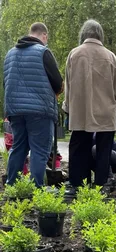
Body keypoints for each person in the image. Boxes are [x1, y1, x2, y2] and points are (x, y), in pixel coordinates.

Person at [62, 19, 116, 194]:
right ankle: (101, 185)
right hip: (106, 112)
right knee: (103, 150)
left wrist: (67, 108)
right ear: (100, 35)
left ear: (83, 34)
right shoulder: (110, 56)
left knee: (78, 147)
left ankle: (77, 185)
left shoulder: (74, 55)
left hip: (80, 112)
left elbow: (68, 86)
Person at [3, 22, 63, 187]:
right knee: (39, 151)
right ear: (44, 36)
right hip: (40, 111)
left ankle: (12, 187)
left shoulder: (10, 54)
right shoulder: (44, 52)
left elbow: (5, 84)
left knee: (18, 148)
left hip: (15, 110)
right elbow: (58, 83)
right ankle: (36, 190)